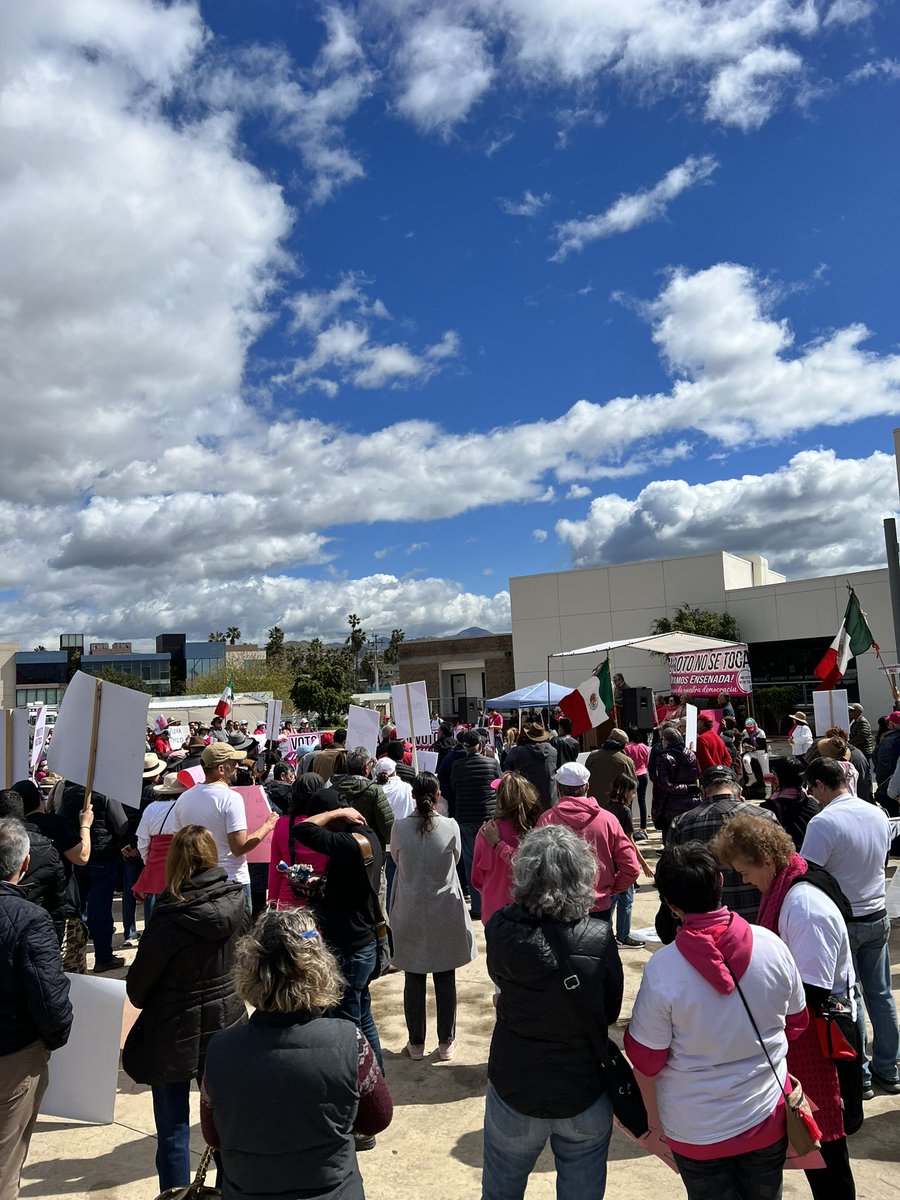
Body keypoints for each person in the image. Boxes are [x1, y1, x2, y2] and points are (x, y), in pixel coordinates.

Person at [625, 843, 808, 1200]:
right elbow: (797, 1023)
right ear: (721, 882)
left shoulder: (663, 969)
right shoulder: (772, 945)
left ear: (670, 905)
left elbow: (647, 1059)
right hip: (765, 1116)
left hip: (696, 1129)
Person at [713, 814, 859, 1200]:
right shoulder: (788, 885)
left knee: (825, 1150)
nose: (745, 881)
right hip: (806, 1034)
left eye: (745, 872)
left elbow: (812, 989)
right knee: (812, 1145)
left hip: (818, 1041)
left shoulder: (803, 905)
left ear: (766, 860)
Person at [201, 907, 393, 1188]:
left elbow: (213, 1136)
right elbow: (377, 1120)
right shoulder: (350, 1042)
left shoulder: (220, 1051)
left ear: (249, 970)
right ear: (320, 969)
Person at [482, 825, 623, 1200]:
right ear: (584, 875)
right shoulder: (599, 936)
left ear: (524, 873)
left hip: (515, 1083)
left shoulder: (500, 928)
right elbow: (609, 1011)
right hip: (582, 1087)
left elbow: (499, 977)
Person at [122, 826, 249, 1193]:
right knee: (226, 1128)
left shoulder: (169, 915)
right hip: (227, 1025)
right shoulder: (238, 902)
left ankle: (175, 1195)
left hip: (172, 1031)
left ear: (174, 861)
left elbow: (138, 989)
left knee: (173, 1130)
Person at [801, 758, 900, 1097]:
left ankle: (861, 1076)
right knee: (881, 995)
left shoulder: (823, 822)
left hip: (843, 921)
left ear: (820, 785)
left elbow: (808, 872)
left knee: (850, 999)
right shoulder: (877, 814)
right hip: (876, 914)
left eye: (812, 788)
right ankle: (889, 1068)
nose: (812, 795)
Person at [0, 818, 73, 1200]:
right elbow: (50, 998)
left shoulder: (28, 917)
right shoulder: (30, 919)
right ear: (24, 864)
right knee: (5, 1164)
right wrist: (53, 1038)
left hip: (16, 1047)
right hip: (14, 1055)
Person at [291, 795, 386, 1069]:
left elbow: (302, 829)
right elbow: (350, 885)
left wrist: (335, 813)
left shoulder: (348, 843)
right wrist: (322, 885)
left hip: (350, 947)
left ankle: (359, 1085)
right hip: (363, 940)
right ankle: (376, 1077)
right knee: (363, 1018)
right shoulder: (365, 836)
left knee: (348, 1028)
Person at [389, 772, 476, 1060]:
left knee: (413, 977)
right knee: (445, 975)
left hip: (410, 907)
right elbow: (457, 858)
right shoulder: (450, 826)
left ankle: (415, 1043)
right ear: (438, 796)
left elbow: (397, 859)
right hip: (444, 909)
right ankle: (446, 1041)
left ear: (413, 796)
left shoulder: (400, 827)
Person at [171, 742, 279, 911]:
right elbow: (239, 847)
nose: (238, 766)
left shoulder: (183, 798)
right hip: (231, 882)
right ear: (221, 769)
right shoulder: (230, 798)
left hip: (196, 882)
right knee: (239, 928)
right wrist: (268, 825)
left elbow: (177, 844)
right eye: (234, 762)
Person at [666, 765, 775, 923]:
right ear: (739, 791)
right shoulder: (765, 817)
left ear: (703, 792)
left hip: (707, 923)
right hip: (761, 917)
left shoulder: (682, 823)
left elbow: (670, 874)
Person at [537, 761, 640, 920]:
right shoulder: (608, 820)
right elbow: (631, 867)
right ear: (586, 787)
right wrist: (610, 889)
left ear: (557, 787)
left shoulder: (546, 820)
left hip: (558, 908)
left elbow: (535, 867)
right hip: (598, 905)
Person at [60, 781, 130, 972]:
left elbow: (62, 821)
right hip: (103, 857)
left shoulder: (68, 794)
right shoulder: (106, 793)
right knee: (101, 910)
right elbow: (121, 825)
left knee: (77, 909)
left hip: (77, 857)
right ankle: (103, 957)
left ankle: (75, 956)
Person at [472, 773, 542, 927]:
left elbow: (477, 879)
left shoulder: (486, 832)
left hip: (494, 913)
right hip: (529, 913)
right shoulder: (538, 830)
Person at [446, 729, 501, 919]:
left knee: (471, 863)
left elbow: (453, 786)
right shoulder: (492, 763)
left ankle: (478, 906)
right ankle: (493, 903)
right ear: (480, 745)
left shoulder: (458, 765)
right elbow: (499, 785)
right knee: (493, 861)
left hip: (466, 818)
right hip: (489, 818)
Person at [600, 774, 654, 948]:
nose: (634, 795)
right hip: (622, 863)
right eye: (633, 791)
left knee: (610, 902)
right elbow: (629, 841)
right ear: (625, 791)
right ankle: (623, 936)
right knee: (626, 901)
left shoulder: (605, 807)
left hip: (608, 862)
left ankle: (605, 935)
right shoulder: (624, 811)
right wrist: (643, 864)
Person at [266, 773, 330, 911]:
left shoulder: (282, 824)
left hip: (289, 901)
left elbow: (276, 868)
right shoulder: (330, 826)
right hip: (322, 898)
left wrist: (272, 901)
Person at [133, 772, 188, 923]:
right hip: (180, 858)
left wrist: (147, 860)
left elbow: (142, 840)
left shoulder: (151, 808)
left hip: (155, 859)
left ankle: (153, 930)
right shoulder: (185, 807)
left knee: (156, 901)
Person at [373, 757, 414, 907]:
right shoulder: (406, 788)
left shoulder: (374, 790)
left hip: (381, 844)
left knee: (385, 884)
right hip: (403, 841)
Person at [650, 728, 701, 841]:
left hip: (671, 805)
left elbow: (663, 784)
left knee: (670, 840)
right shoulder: (691, 755)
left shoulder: (664, 758)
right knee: (688, 839)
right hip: (691, 803)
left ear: (667, 741)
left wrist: (685, 788)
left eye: (662, 739)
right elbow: (698, 774)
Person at [760, 757, 821, 851]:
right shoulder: (812, 803)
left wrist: (776, 791)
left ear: (778, 778)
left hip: (788, 856)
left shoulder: (768, 808)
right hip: (810, 854)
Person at [503, 722, 558, 811]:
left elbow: (506, 769)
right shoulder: (553, 751)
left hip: (526, 803)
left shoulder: (517, 752)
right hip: (550, 803)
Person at [584, 727, 635, 813]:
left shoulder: (593, 756)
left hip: (594, 806)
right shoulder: (626, 761)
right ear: (623, 745)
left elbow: (585, 778)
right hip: (617, 809)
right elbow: (632, 785)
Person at [623, 727, 650, 839]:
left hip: (632, 776)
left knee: (628, 802)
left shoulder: (626, 748)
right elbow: (646, 762)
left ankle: (629, 827)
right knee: (642, 801)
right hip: (643, 775)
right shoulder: (644, 747)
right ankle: (643, 827)